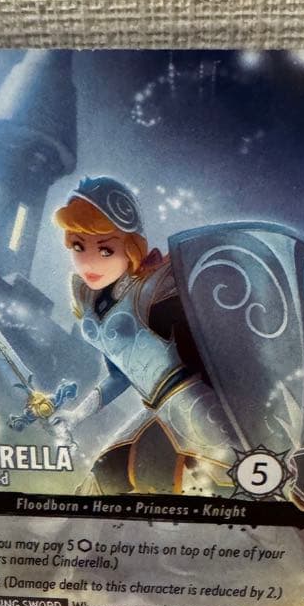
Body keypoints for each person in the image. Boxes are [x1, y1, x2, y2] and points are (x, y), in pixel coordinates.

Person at [47, 176, 240, 495]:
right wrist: (77, 415)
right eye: (79, 246)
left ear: (131, 247)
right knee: (101, 479)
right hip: (160, 409)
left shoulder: (158, 289)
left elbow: (211, 346)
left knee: (207, 488)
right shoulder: (94, 300)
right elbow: (118, 376)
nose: (89, 261)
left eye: (105, 249)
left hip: (199, 410)